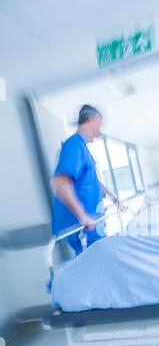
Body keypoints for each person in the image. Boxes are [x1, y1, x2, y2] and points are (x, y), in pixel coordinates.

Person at [51, 104, 122, 255]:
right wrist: (83, 217)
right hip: (84, 230)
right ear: (92, 119)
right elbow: (60, 183)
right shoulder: (74, 145)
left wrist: (115, 199)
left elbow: (93, 183)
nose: (100, 131)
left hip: (93, 228)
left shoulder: (83, 149)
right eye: (100, 124)